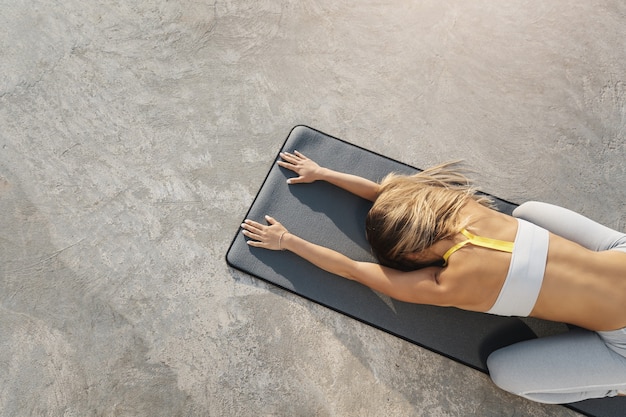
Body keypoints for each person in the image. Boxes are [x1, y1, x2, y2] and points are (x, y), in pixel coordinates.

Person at [240, 150, 626, 404]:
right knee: (528, 212)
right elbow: (394, 198)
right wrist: (322, 172)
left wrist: (287, 240)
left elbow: (353, 270)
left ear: (409, 256)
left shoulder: (447, 284)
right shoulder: (466, 209)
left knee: (506, 373)